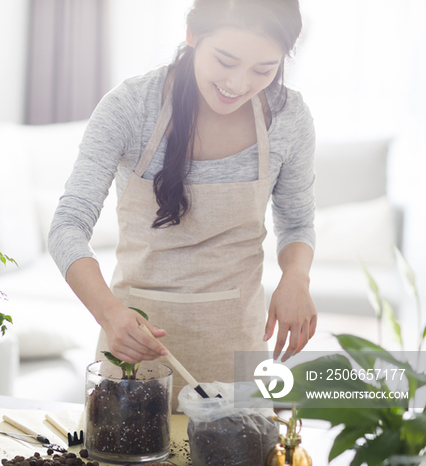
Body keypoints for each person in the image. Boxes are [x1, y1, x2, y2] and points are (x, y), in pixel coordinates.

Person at [48, 0, 316, 401]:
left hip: (237, 354)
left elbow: (296, 223)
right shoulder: (131, 106)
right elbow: (67, 224)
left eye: (264, 69)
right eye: (225, 60)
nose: (239, 84)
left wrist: (296, 277)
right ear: (192, 35)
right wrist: (108, 312)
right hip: (132, 355)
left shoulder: (288, 116)